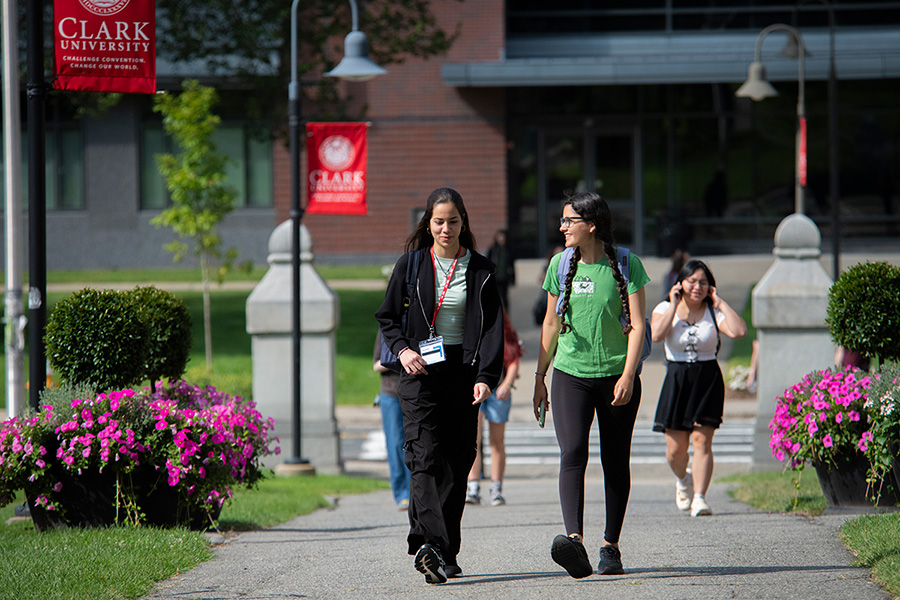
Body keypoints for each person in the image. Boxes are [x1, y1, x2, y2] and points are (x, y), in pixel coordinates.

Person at [375, 187, 504, 585]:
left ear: (463, 222)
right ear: (428, 224)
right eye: (438, 221)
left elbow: (493, 330)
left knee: (459, 459)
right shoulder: (411, 264)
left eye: (453, 221)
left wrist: (485, 377)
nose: (446, 228)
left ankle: (443, 550)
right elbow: (388, 318)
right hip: (419, 374)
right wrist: (402, 351)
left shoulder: (481, 269)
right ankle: (432, 542)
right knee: (424, 455)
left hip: (462, 373)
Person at [532, 191, 649, 579]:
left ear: (592, 225)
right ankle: (575, 542)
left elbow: (638, 324)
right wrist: (539, 377)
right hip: (570, 374)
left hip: (617, 374)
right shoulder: (559, 265)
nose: (562, 227)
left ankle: (610, 547)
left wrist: (629, 374)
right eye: (562, 220)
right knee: (573, 452)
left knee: (615, 460)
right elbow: (550, 323)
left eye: (570, 220)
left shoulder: (628, 264)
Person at [651, 259, 747, 517]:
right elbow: (657, 335)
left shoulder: (713, 313)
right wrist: (673, 304)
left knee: (702, 441)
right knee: (675, 450)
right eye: (692, 281)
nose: (697, 287)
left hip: (707, 379)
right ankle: (683, 480)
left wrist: (720, 302)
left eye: (703, 282)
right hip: (677, 379)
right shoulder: (665, 308)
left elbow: (739, 331)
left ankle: (700, 498)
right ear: (680, 283)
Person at [466, 308, 523, 507]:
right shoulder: (470, 328)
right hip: (476, 390)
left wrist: (507, 384)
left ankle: (496, 489)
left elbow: (514, 359)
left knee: (497, 442)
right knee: (474, 440)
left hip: (499, 391)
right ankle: (473, 487)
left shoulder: (503, 330)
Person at [373, 331, 412, 511]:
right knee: (395, 443)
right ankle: (402, 493)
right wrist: (400, 356)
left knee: (416, 443)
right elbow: (376, 364)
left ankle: (416, 491)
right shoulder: (386, 329)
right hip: (391, 393)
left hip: (415, 392)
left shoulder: (419, 323)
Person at [487, 229, 516, 308]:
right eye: (499, 237)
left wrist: (513, 278)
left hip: (504, 276)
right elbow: (488, 262)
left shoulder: (509, 250)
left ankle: (506, 315)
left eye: (503, 237)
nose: (501, 239)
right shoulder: (493, 250)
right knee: (494, 297)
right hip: (495, 276)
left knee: (504, 296)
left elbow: (512, 265)